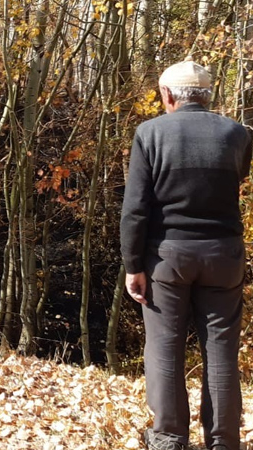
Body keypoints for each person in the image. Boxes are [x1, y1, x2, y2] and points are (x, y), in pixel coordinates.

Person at [121, 60, 252, 450]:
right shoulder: (238, 134)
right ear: (208, 95)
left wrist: (133, 266)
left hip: (167, 258)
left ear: (167, 95)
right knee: (221, 349)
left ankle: (168, 439)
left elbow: (135, 209)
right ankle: (224, 442)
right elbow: (238, 176)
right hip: (224, 255)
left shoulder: (150, 132)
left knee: (164, 346)